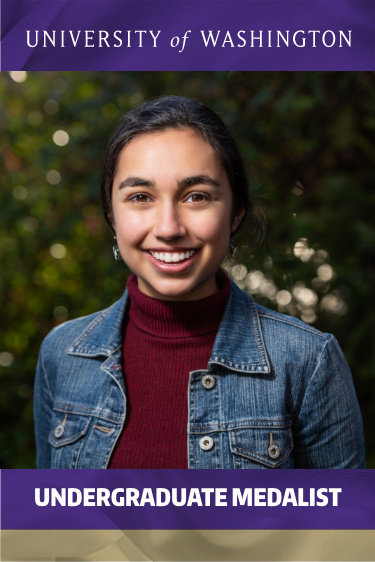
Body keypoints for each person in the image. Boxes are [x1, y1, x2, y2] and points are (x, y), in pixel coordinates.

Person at [34, 96, 365, 469]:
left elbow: (339, 528)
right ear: (112, 213)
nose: (168, 228)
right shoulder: (61, 356)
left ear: (236, 212)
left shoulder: (308, 361)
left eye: (197, 197)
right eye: (140, 197)